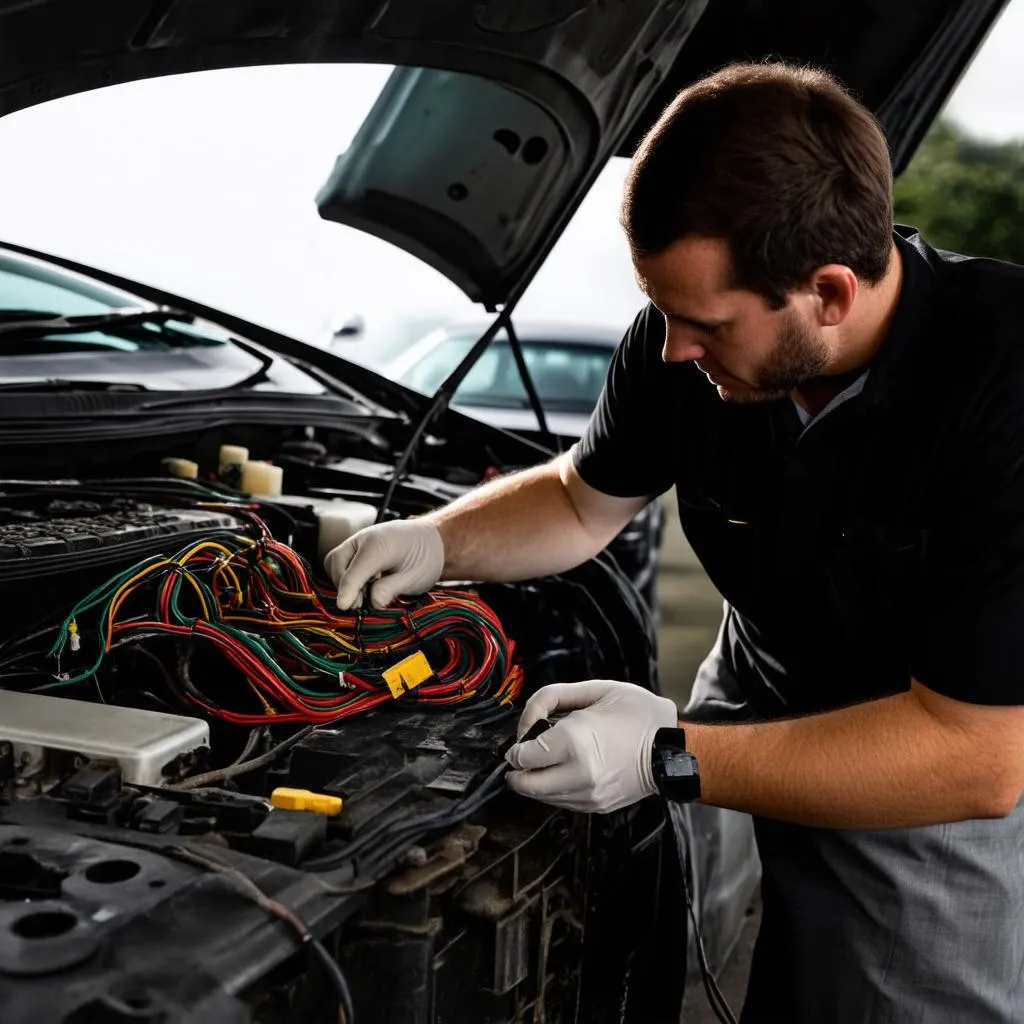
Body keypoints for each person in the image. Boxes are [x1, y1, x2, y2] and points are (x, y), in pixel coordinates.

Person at [324, 63, 1024, 1023]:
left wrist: (668, 756)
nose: (673, 351)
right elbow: (580, 501)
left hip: (931, 751)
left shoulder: (1003, 382)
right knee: (723, 961)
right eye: (664, 311)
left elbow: (979, 758)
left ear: (827, 291)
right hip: (753, 691)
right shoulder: (680, 342)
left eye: (706, 324)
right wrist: (436, 542)